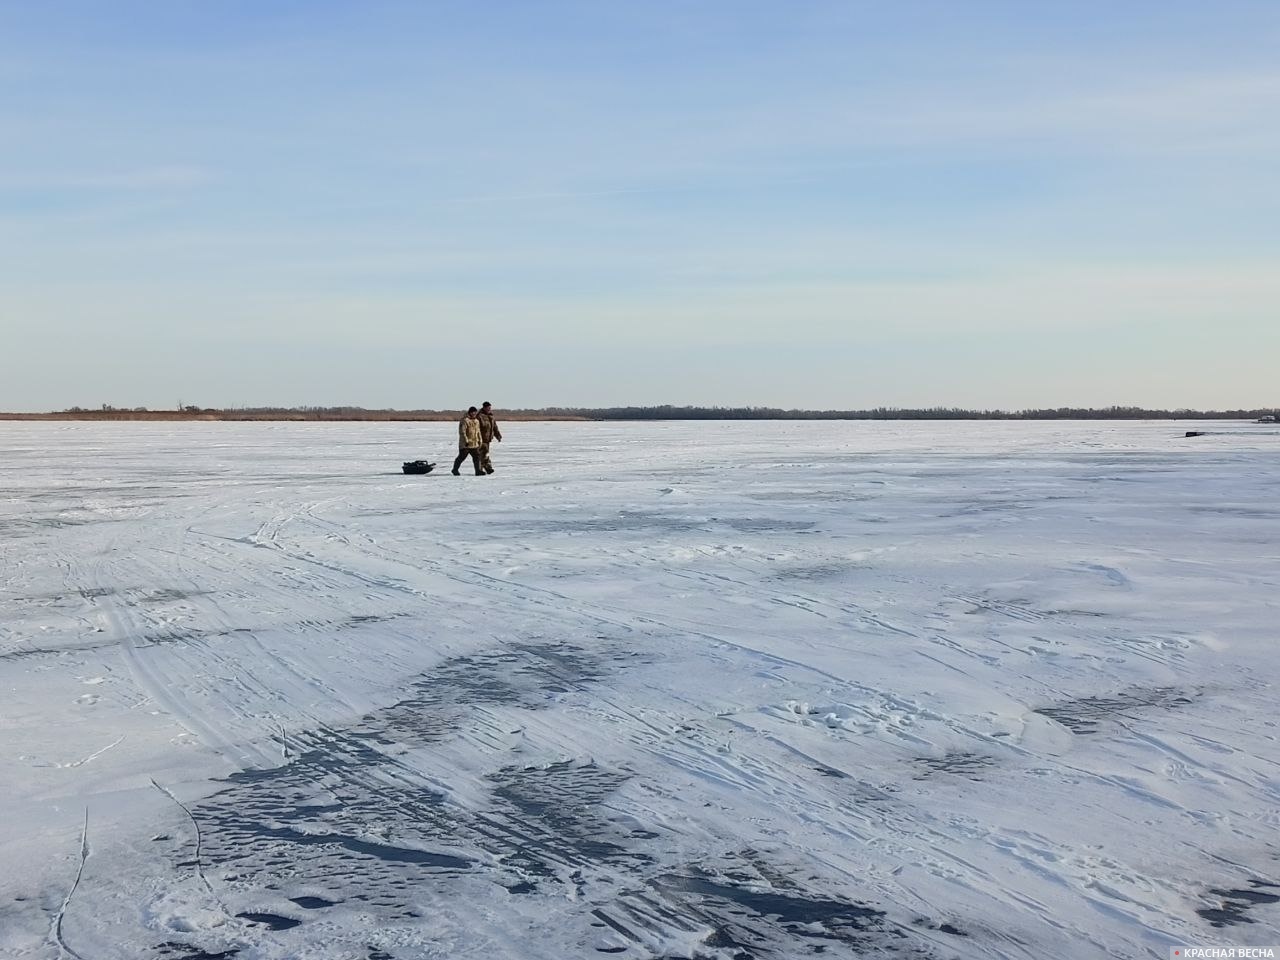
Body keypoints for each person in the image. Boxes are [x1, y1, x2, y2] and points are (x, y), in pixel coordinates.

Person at [452, 407, 484, 475]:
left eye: (475, 412)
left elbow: (478, 432)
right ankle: (455, 470)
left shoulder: (476, 421)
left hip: (474, 443)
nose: (474, 413)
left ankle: (478, 471)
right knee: (462, 457)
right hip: (465, 444)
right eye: (473, 412)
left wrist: (480, 440)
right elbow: (462, 432)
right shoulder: (465, 420)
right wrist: (466, 441)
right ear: (470, 412)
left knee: (477, 457)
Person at [477, 401, 503, 474]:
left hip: (488, 439)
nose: (489, 409)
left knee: (485, 454)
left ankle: (487, 468)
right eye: (488, 407)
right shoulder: (479, 416)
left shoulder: (491, 416)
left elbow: (494, 427)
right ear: (484, 407)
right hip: (481, 439)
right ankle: (481, 469)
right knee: (482, 454)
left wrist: (498, 436)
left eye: (490, 407)